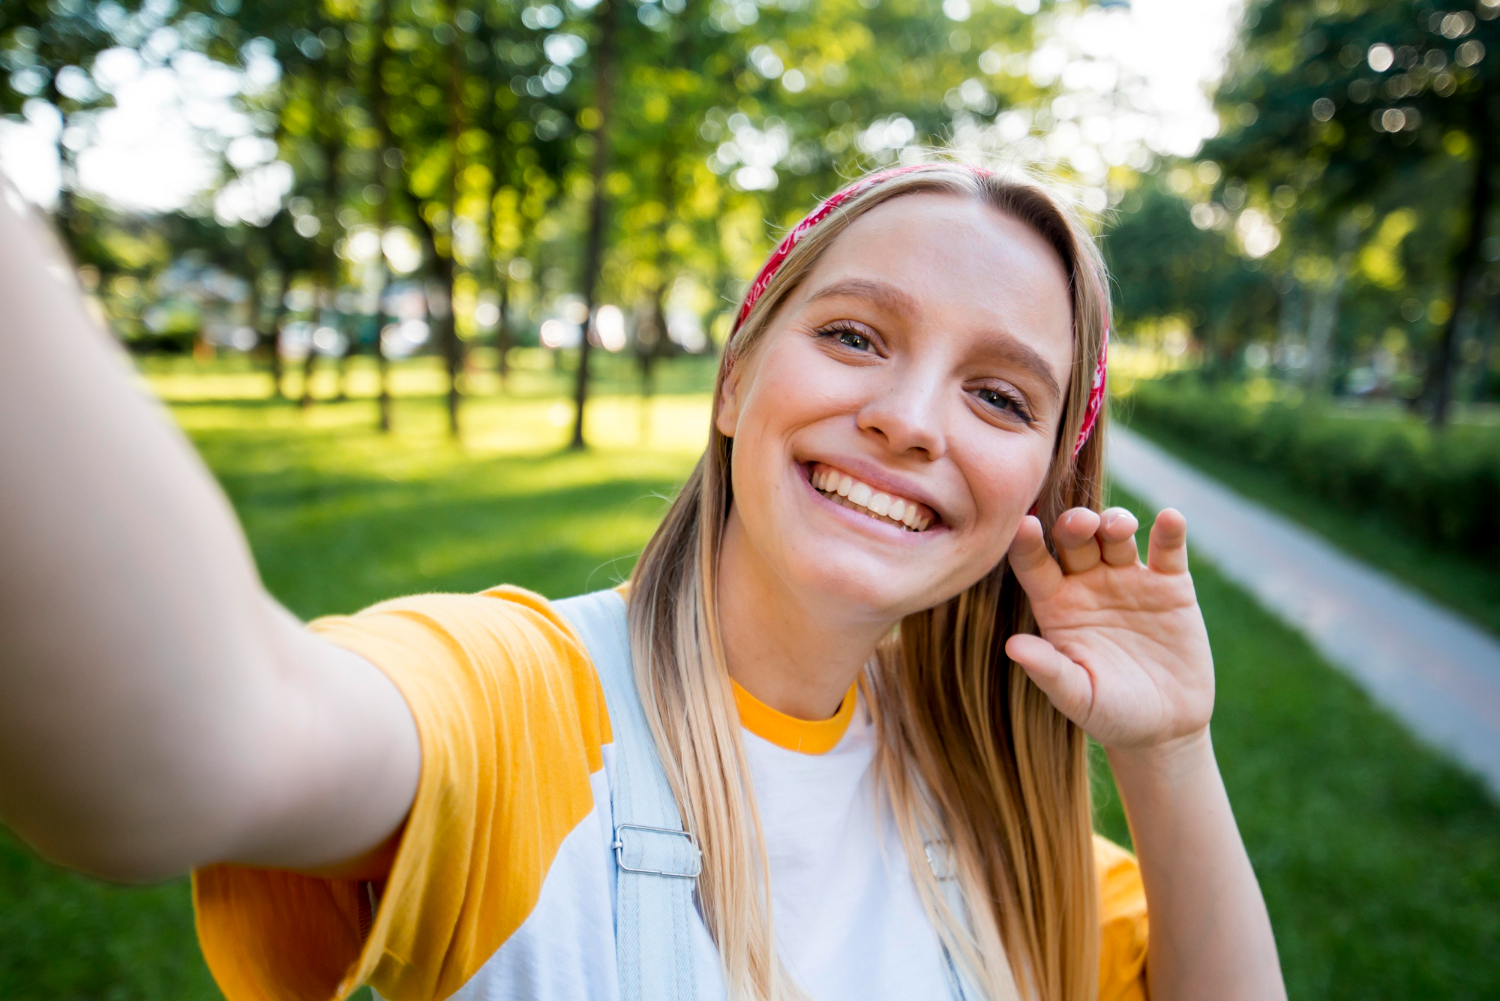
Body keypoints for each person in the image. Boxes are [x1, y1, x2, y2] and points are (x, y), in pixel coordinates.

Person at [0, 161, 1285, 1001]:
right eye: (853, 334)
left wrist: (1171, 748)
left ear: (1041, 487)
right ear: (735, 379)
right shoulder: (523, 707)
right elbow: (172, 755)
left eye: (997, 393)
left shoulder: (1000, 827)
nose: (908, 418)